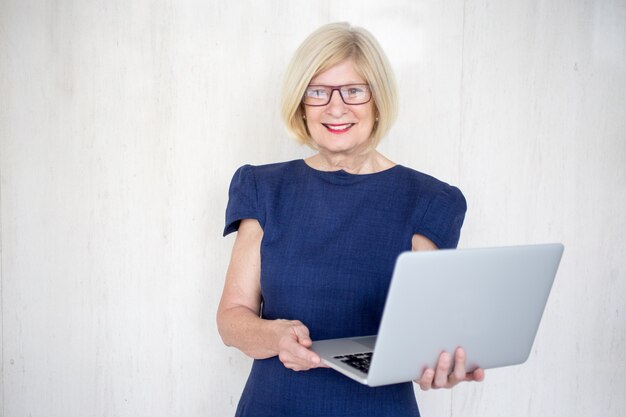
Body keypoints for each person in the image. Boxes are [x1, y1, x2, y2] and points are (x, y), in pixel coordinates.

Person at [217, 22, 484, 417]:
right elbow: (231, 318)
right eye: (318, 91)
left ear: (378, 101)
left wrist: (441, 364)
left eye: (354, 91)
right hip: (276, 406)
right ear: (300, 103)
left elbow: (428, 336)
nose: (335, 107)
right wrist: (273, 335)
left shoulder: (429, 201)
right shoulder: (262, 187)